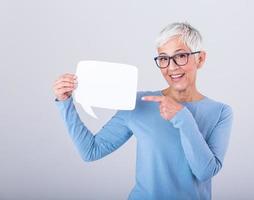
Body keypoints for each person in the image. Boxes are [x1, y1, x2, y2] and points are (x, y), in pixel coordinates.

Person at [53, 22, 233, 200]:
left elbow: (205, 172)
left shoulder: (220, 112)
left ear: (200, 59)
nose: (171, 67)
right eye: (163, 58)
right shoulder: (139, 103)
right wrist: (65, 102)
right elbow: (90, 151)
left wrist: (183, 117)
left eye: (181, 56)